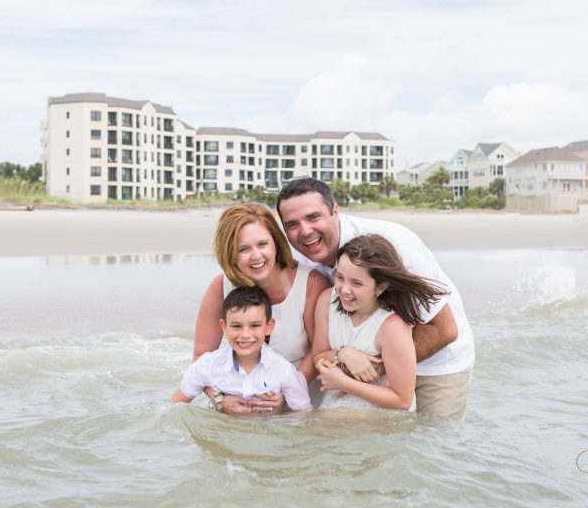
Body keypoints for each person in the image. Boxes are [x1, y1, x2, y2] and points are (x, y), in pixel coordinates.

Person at [277, 178, 475, 419]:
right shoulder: (304, 258)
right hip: (359, 368)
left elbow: (444, 329)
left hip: (435, 363)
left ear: (335, 211)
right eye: (292, 224)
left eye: (313, 217)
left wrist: (373, 368)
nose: (305, 231)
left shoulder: (396, 248)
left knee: (433, 445)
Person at [193, 203, 329, 414]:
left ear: (276, 243)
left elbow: (318, 351)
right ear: (230, 253)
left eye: (262, 244)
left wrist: (286, 394)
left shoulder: (311, 283)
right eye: (243, 249)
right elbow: (201, 358)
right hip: (239, 405)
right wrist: (220, 399)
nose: (256, 256)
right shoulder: (220, 287)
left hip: (299, 406)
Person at [313, 234, 449, 411]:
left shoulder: (392, 327)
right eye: (340, 277)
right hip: (337, 408)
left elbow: (402, 400)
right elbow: (317, 357)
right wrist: (343, 354)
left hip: (381, 418)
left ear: (381, 287)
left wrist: (344, 382)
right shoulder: (327, 301)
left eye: (356, 283)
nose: (344, 289)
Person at [172, 287, 312, 413]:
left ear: (269, 326)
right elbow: (174, 408)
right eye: (236, 326)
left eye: (255, 326)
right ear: (224, 326)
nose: (245, 335)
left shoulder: (284, 372)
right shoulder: (207, 365)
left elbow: (303, 417)